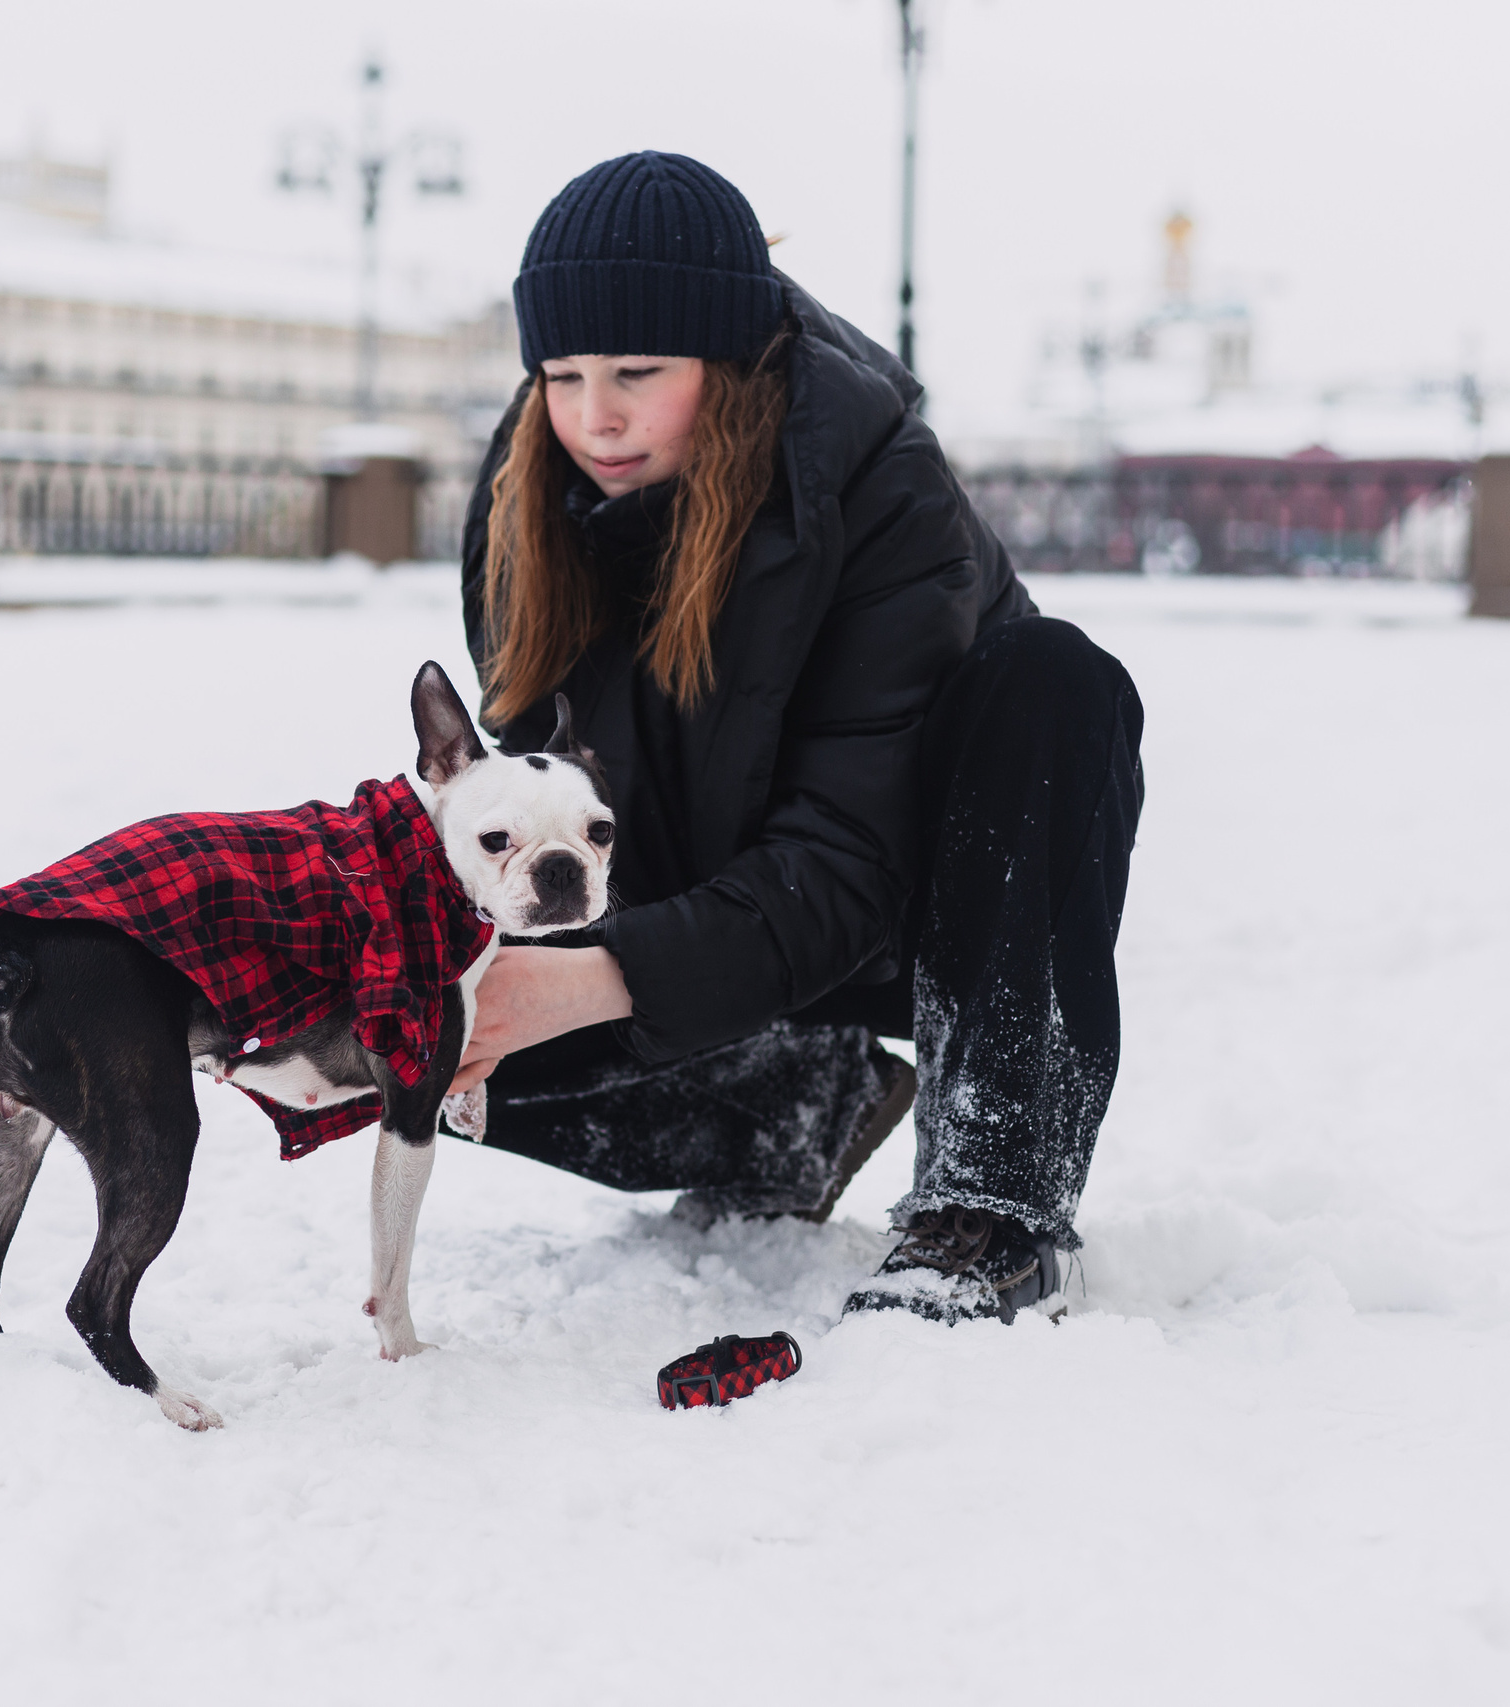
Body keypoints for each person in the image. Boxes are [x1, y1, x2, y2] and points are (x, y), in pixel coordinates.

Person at [448, 152, 1144, 1324]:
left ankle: (987, 1204)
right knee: (413, 1021)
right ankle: (785, 1106)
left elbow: (848, 862)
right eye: (559, 376)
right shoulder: (529, 506)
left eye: (635, 371)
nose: (591, 417)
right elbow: (530, 803)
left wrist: (593, 984)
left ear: (727, 364)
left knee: (1056, 682)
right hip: (701, 914)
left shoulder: (881, 492)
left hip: (893, 916)